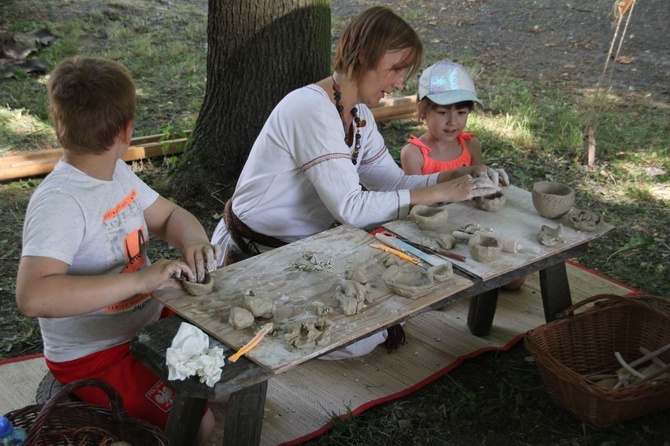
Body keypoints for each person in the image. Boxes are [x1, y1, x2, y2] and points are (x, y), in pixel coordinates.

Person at [211, 6, 506, 358]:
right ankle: (242, 308)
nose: (400, 83)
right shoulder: (309, 108)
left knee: (382, 309)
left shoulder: (360, 116)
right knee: (361, 334)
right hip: (252, 251)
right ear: (363, 57)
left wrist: (452, 175)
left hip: (299, 249)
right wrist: (440, 191)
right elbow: (350, 207)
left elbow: (391, 180)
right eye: (396, 69)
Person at [15, 56, 221, 444]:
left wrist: (192, 239)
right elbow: (33, 296)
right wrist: (140, 280)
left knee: (224, 370)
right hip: (96, 353)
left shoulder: (115, 173)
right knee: (196, 423)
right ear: (126, 130)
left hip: (148, 324)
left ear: (59, 125)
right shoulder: (60, 202)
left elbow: (169, 216)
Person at [400, 61, 524, 290]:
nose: (452, 121)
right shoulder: (414, 154)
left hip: (470, 226)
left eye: (461, 112)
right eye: (442, 111)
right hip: (433, 234)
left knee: (516, 281)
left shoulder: (471, 145)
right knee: (441, 286)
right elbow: (414, 207)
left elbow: (481, 189)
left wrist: (495, 185)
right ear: (422, 110)